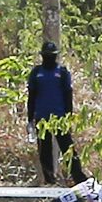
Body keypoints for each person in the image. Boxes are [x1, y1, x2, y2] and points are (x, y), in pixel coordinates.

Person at [27, 40, 80, 184]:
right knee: (44, 150)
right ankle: (49, 179)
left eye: (52, 55)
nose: (49, 58)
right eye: (47, 55)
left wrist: (69, 117)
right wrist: (30, 118)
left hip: (60, 118)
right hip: (42, 118)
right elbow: (31, 96)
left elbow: (68, 95)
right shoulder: (36, 73)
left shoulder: (62, 72)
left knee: (67, 148)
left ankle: (79, 178)